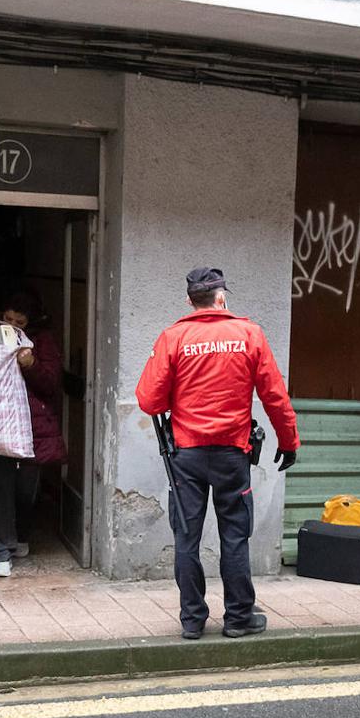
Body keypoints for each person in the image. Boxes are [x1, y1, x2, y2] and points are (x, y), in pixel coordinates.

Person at [136, 267, 299, 640]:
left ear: (190, 302)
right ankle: (239, 617)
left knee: (187, 539)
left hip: (186, 456)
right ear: (222, 297)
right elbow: (275, 396)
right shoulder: (249, 335)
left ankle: (192, 620)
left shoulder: (173, 338)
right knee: (234, 537)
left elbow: (148, 400)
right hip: (231, 455)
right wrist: (288, 441)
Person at [0, 291, 66, 577]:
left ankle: (21, 534)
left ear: (32, 321)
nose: (13, 325)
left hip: (31, 427)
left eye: (20, 321)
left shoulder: (42, 342)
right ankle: (0, 551)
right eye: (8, 319)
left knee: (25, 489)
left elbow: (51, 383)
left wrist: (31, 365)